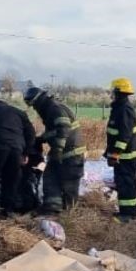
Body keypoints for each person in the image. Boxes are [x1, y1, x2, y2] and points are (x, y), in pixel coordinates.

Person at [23, 86, 86, 215]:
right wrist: (42, 138)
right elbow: (54, 132)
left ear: (39, 101)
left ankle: (69, 214)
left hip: (70, 154)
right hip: (63, 153)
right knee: (50, 178)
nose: (35, 109)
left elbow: (63, 129)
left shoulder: (55, 109)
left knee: (69, 185)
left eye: (34, 105)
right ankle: (52, 209)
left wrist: (57, 150)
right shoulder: (51, 110)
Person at [105, 77, 136, 222]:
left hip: (126, 156)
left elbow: (124, 135)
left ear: (119, 92)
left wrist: (115, 154)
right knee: (128, 183)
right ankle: (134, 209)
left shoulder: (124, 109)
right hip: (125, 156)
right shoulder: (120, 108)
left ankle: (127, 215)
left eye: (113, 91)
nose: (111, 94)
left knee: (125, 184)